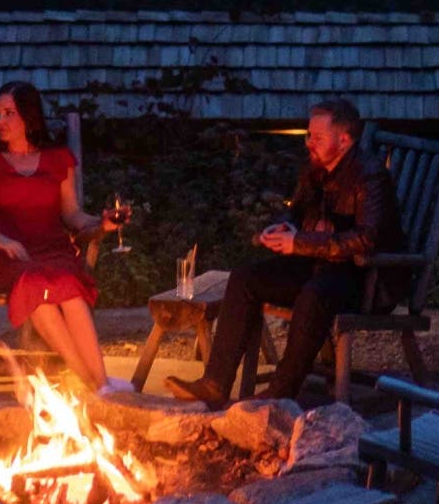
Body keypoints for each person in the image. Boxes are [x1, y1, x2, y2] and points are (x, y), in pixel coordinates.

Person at [167, 97, 405, 408]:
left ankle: (280, 394)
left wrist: (301, 243)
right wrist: (280, 229)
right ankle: (215, 383)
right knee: (244, 278)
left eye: (317, 137)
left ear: (344, 140)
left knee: (314, 295)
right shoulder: (316, 170)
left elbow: (366, 240)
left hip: (362, 276)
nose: (309, 143)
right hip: (317, 264)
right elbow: (296, 216)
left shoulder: (370, 176)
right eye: (309, 135)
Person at [0, 81, 129, 393]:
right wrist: (1, 240)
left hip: (52, 252)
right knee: (38, 288)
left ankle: (99, 383)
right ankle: (96, 386)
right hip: (6, 256)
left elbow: (72, 215)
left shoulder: (56, 160)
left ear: (29, 116)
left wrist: (101, 223)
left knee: (69, 288)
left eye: (9, 113)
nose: (0, 121)